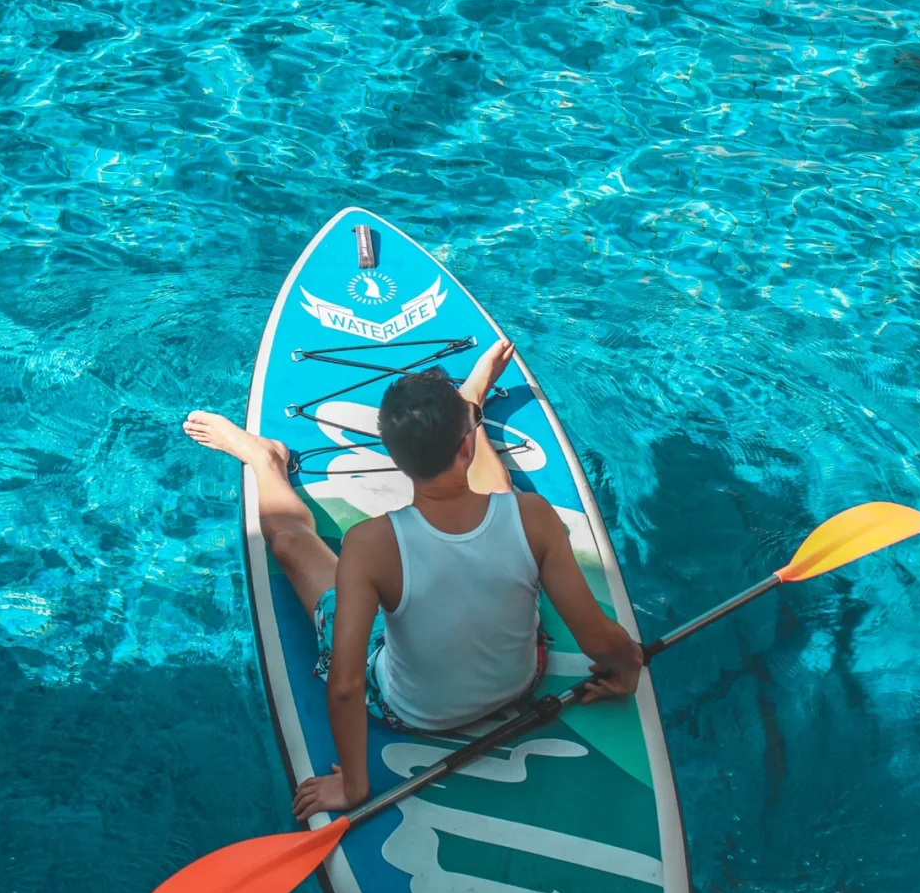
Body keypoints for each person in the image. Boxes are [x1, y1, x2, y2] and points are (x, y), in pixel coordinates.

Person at [183, 338, 644, 820]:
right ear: (467, 443)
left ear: (393, 455)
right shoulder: (533, 515)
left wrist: (353, 787)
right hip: (524, 681)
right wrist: (629, 667)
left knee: (288, 539)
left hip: (410, 712)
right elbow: (597, 638)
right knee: (497, 495)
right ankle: (469, 402)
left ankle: (265, 461)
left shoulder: (371, 544)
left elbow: (346, 684)